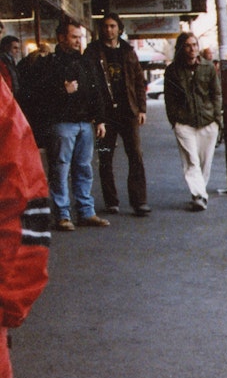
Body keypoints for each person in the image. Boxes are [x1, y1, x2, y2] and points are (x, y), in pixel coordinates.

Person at [38, 17, 109, 231]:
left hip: (84, 123)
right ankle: (63, 214)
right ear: (61, 38)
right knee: (61, 169)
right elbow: (38, 96)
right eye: (74, 37)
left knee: (82, 168)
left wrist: (100, 119)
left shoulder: (86, 62)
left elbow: (97, 92)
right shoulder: (49, 63)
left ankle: (85, 212)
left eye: (80, 37)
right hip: (62, 123)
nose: (79, 41)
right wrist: (63, 90)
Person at [86, 13, 150, 217]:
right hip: (105, 114)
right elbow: (89, 83)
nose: (109, 30)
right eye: (105, 26)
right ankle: (111, 201)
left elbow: (138, 81)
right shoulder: (92, 51)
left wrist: (142, 108)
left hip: (128, 111)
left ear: (119, 29)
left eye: (113, 26)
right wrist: (96, 116)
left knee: (136, 155)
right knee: (105, 157)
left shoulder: (128, 51)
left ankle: (139, 201)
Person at [164, 33, 221, 211]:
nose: (192, 49)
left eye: (195, 45)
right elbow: (169, 98)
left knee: (205, 162)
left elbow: (216, 93)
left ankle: (199, 192)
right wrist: (174, 120)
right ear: (181, 48)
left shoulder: (208, 67)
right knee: (191, 161)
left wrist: (217, 120)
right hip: (184, 123)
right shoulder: (173, 70)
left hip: (207, 121)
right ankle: (199, 196)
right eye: (188, 45)